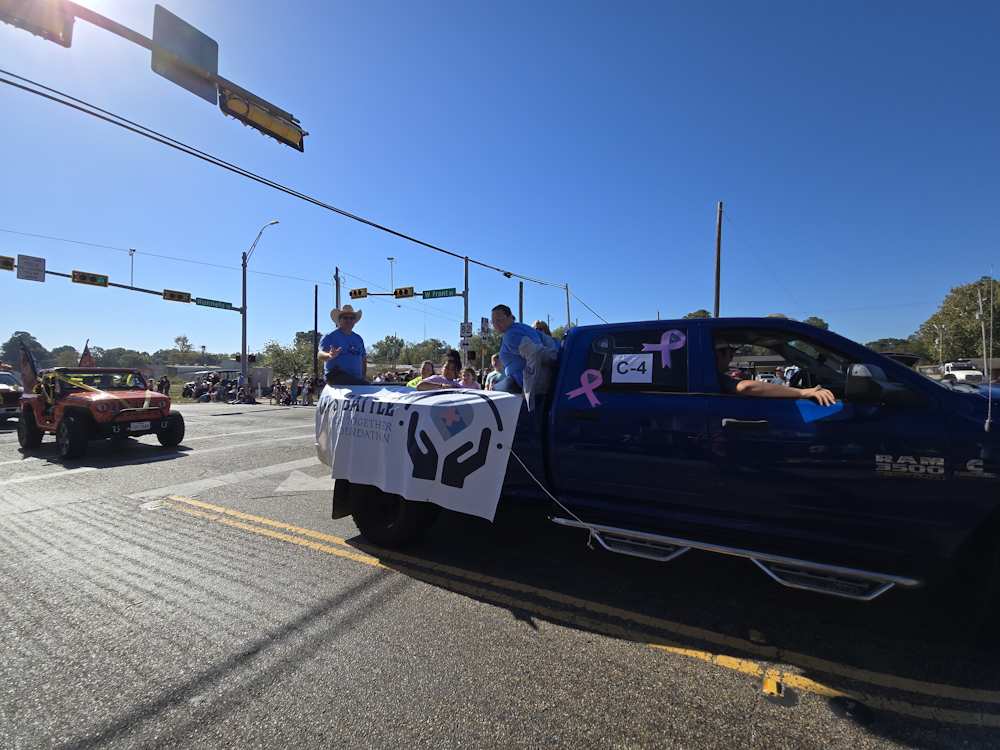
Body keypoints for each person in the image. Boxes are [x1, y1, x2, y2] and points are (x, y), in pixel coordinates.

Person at [715, 341, 835, 405]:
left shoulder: (708, 376)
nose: (731, 358)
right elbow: (745, 387)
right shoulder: (715, 377)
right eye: (730, 353)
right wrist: (802, 392)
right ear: (718, 354)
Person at [491, 304, 542, 393]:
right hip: (522, 381)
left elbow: (536, 355)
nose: (496, 324)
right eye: (493, 322)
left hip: (520, 382)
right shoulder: (522, 328)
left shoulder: (511, 335)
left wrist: (528, 387)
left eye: (499, 320)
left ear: (510, 317)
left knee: (493, 392)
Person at [319, 304, 368, 385]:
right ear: (339, 320)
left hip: (356, 379)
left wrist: (363, 377)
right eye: (345, 318)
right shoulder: (330, 336)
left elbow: (363, 359)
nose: (349, 320)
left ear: (354, 321)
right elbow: (320, 354)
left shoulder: (358, 338)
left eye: (351, 318)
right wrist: (329, 355)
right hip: (336, 376)